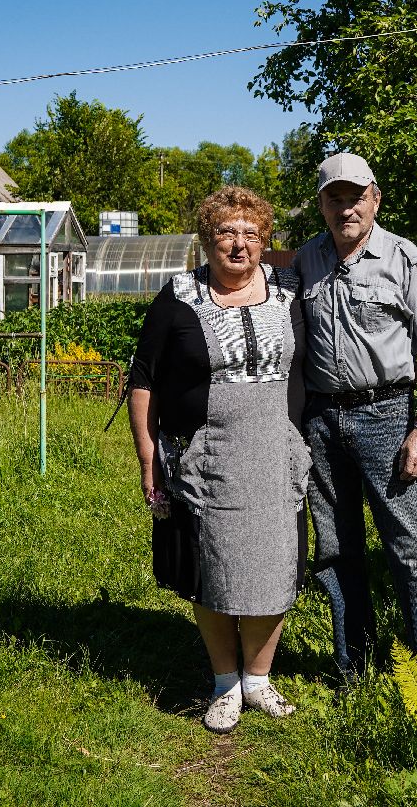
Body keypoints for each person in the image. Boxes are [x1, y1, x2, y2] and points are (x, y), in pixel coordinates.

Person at [126, 185, 308, 734]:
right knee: (214, 568)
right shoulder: (177, 297)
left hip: (276, 452)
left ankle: (259, 679)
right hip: (206, 457)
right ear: (207, 240)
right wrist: (147, 454)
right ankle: (225, 682)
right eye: (227, 232)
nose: (239, 243)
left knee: (275, 567)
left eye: (251, 233)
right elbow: (144, 380)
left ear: (264, 240)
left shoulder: (290, 290)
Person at [297, 152, 417, 676]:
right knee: (337, 552)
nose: (347, 209)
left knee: (411, 549)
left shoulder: (403, 258)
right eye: (335, 199)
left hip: (387, 417)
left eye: (356, 198)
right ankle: (353, 671)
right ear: (321, 204)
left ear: (376, 198)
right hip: (321, 421)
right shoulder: (307, 261)